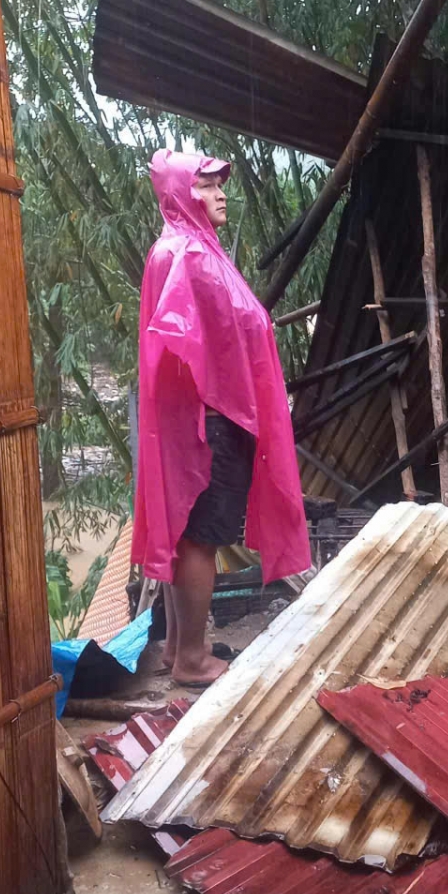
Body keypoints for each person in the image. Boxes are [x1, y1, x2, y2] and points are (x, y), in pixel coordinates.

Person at [132, 150, 310, 686]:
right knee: (201, 539)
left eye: (219, 184)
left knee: (184, 533)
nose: (221, 193)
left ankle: (177, 648)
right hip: (210, 418)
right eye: (207, 185)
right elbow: (205, 337)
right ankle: (193, 659)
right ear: (182, 194)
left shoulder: (173, 249)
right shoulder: (191, 255)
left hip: (188, 418)